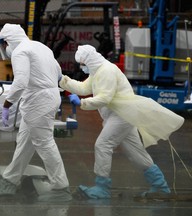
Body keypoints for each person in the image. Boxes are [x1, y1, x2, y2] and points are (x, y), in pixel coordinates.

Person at [59, 44, 184, 199]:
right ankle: (160, 187)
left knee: (103, 145)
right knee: (136, 152)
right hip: (122, 115)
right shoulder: (97, 71)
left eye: (83, 64)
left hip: (121, 116)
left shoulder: (107, 70)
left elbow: (105, 98)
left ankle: (102, 187)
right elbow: (85, 88)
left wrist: (82, 103)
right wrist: (63, 80)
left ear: (90, 61)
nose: (82, 67)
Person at [0, 23, 72, 201]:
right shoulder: (41, 47)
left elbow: (20, 82)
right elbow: (57, 73)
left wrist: (7, 104)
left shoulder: (20, 52)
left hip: (38, 101)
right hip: (47, 97)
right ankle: (10, 181)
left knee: (44, 143)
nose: (5, 49)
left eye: (4, 44)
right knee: (24, 142)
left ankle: (61, 188)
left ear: (9, 40)